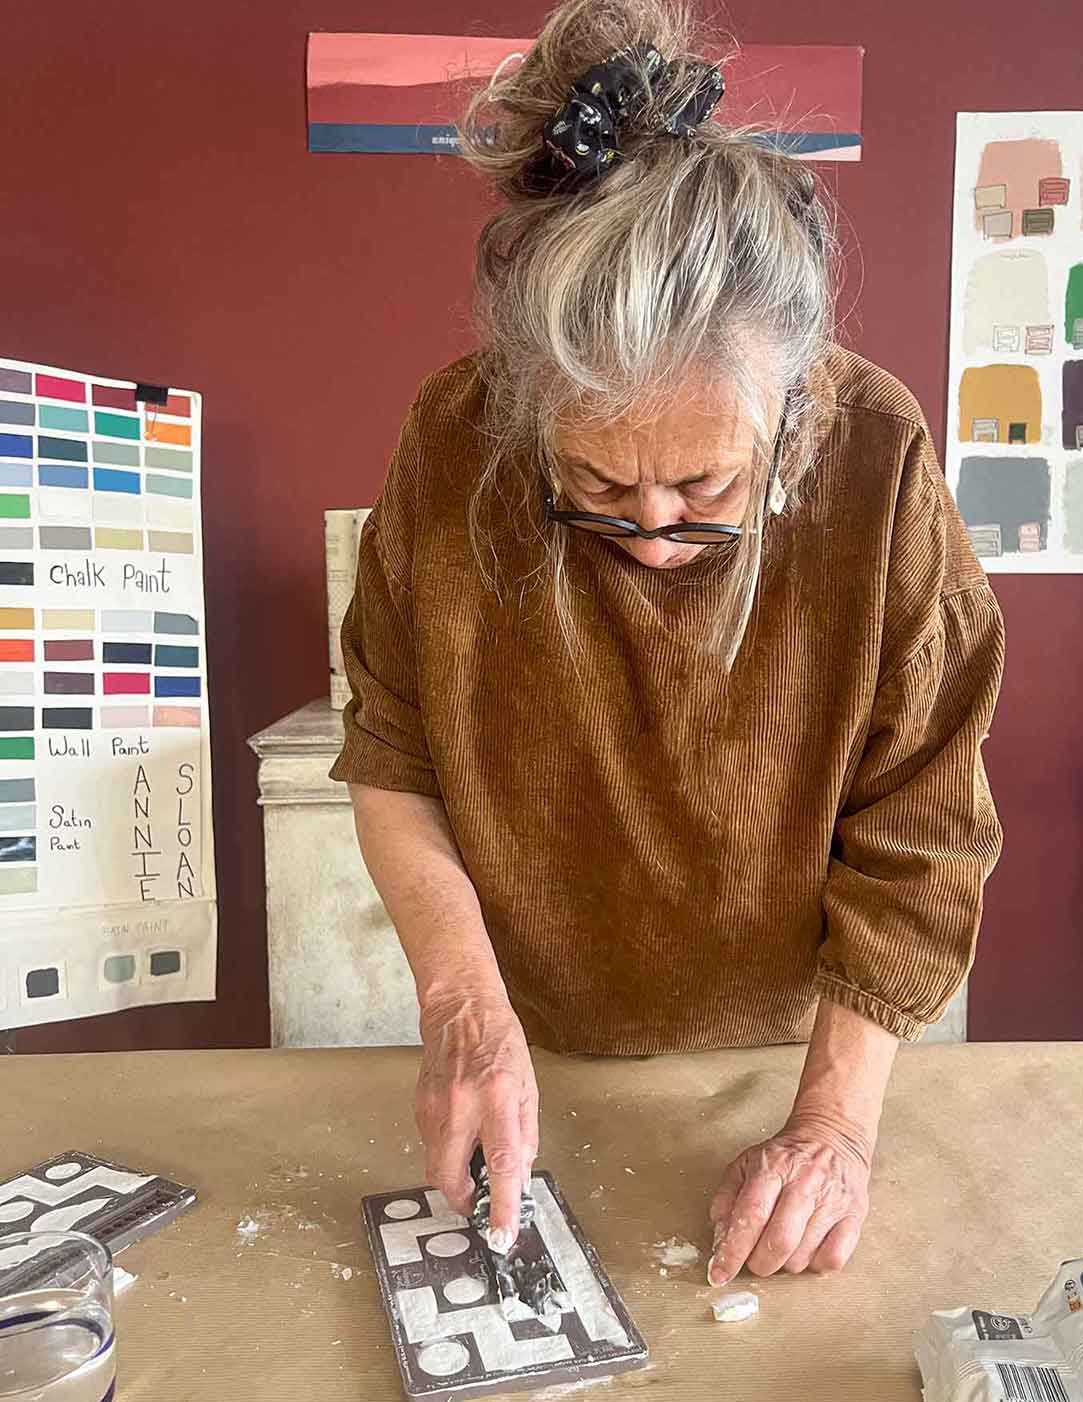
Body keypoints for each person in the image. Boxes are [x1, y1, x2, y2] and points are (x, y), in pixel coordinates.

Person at [331, 0, 1004, 1287]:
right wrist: (464, 1007)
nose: (650, 533)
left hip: (800, 1048)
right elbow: (394, 757)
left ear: (793, 414)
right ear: (525, 409)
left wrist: (833, 1124)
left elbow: (925, 823)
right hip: (536, 1035)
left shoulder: (874, 452)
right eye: (596, 482)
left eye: (706, 488)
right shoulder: (453, 442)